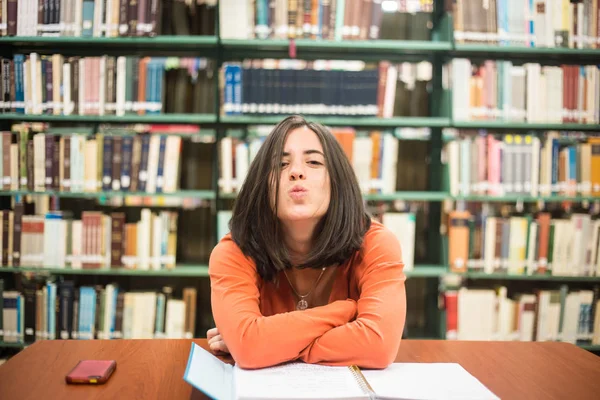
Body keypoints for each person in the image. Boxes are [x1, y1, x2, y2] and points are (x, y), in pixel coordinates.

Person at [207, 115, 407, 369]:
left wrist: (271, 345)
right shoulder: (233, 252)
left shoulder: (377, 245)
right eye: (280, 164)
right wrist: (347, 311)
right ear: (261, 184)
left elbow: (378, 347)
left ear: (338, 181)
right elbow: (248, 348)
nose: (296, 172)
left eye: (313, 162)